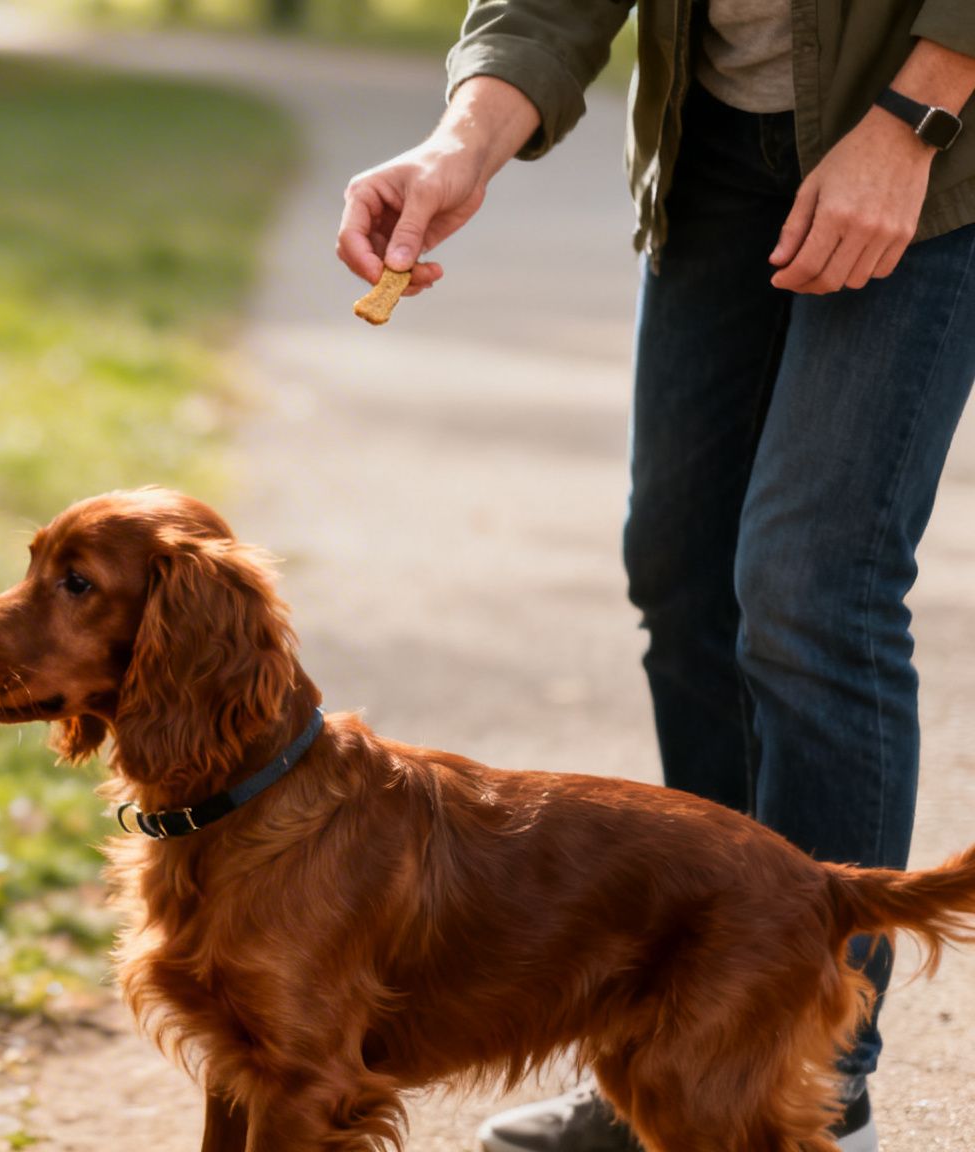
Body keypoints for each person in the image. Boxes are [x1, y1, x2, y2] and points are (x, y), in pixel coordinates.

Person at [335, 2, 975, 1150]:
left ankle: (820, 1094)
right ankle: (686, 1041)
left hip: (927, 136)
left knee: (805, 584)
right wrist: (460, 139)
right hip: (714, 141)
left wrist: (913, 115)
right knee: (681, 576)